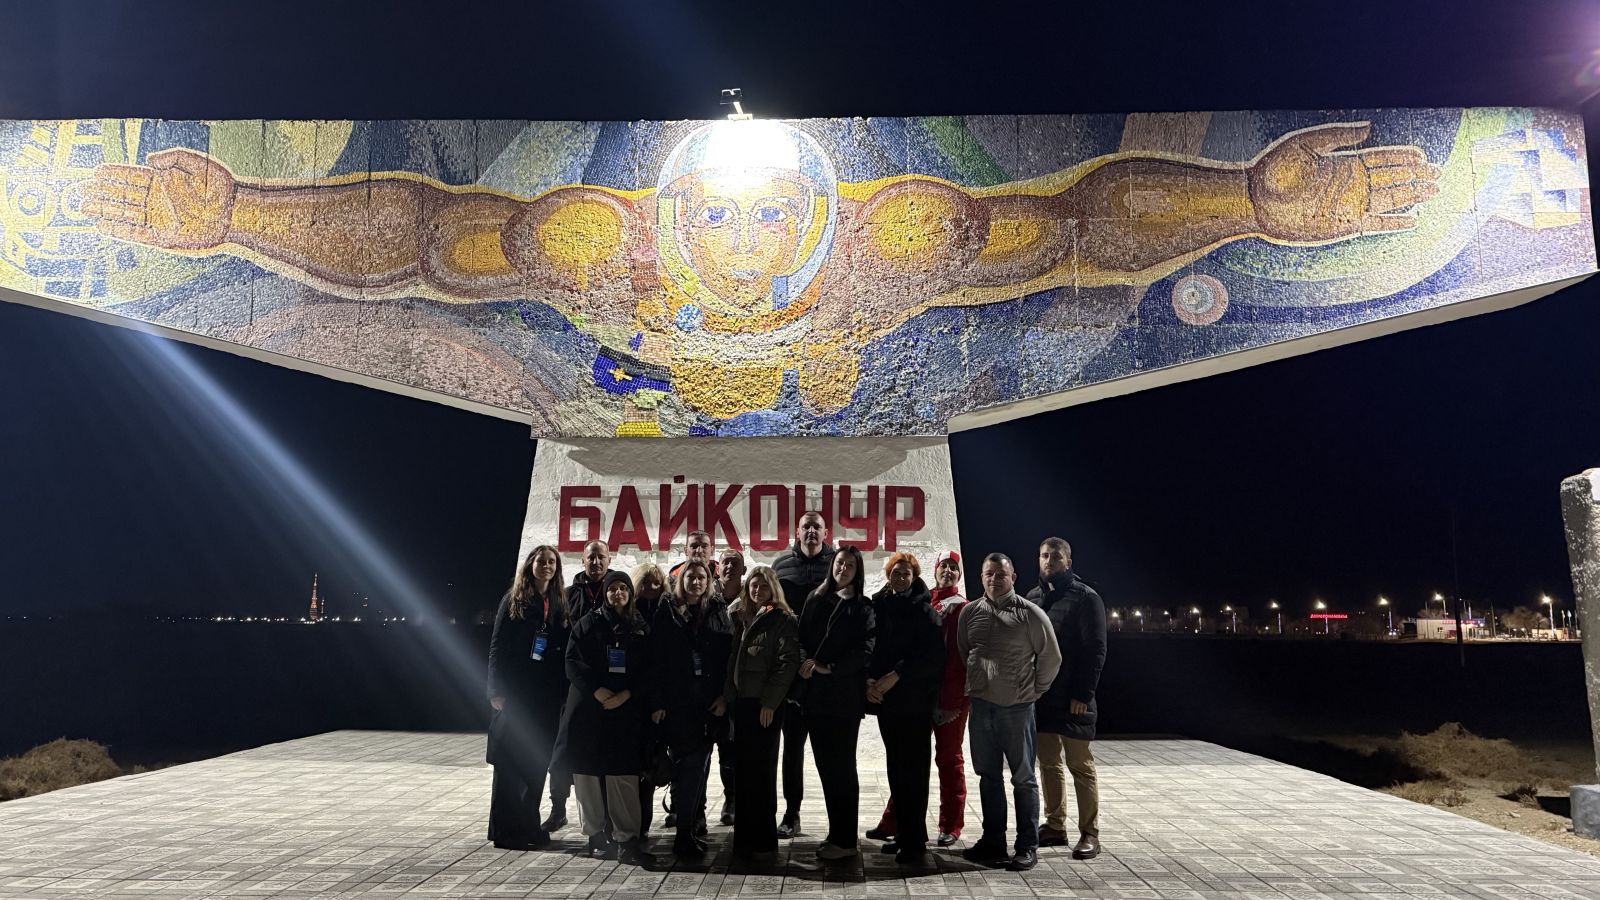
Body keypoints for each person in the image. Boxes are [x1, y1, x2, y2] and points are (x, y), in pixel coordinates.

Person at [957, 553, 1061, 872]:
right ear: (981, 577)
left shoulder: (1030, 614)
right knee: (988, 776)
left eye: (1001, 574)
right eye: (989, 574)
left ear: (1013, 577)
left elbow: (1051, 658)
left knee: (1023, 778)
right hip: (981, 706)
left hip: (1017, 708)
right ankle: (993, 841)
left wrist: (1034, 690)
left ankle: (1027, 846)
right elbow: (965, 651)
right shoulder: (970, 612)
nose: (994, 579)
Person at [870, 550, 969, 848]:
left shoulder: (962, 607)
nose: (948, 571)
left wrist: (952, 702)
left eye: (953, 567)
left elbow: (957, 659)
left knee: (947, 760)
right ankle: (896, 822)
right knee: (905, 762)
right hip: (916, 696)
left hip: (946, 697)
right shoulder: (923, 601)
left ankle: (950, 825)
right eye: (943, 566)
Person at [554, 571, 655, 864]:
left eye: (623, 588)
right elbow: (572, 662)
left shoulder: (639, 627)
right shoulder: (588, 623)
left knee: (622, 774)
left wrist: (626, 694)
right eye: (613, 589)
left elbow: (649, 669)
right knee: (586, 773)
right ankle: (595, 833)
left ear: (630, 593)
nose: (618, 593)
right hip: (589, 709)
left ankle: (626, 840)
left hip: (624, 710)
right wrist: (596, 690)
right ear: (605, 594)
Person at [1027, 537, 1108, 861]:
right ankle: (1054, 825)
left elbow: (1095, 649)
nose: (1049, 561)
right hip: (1043, 697)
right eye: (1044, 556)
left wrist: (1083, 694)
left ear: (1068, 562)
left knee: (1080, 765)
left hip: (1074, 698)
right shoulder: (1032, 598)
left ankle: (1090, 833)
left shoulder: (1086, 598)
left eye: (1056, 557)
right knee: (1048, 763)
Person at [486, 545, 570, 850]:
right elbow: (497, 646)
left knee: (536, 760)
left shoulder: (558, 600)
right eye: (541, 561)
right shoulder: (514, 599)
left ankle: (529, 826)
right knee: (510, 762)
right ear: (530, 565)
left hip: (546, 695)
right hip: (516, 693)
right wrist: (495, 689)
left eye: (552, 562)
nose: (547, 566)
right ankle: (506, 832)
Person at [795, 546, 875, 861]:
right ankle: (836, 832)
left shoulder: (862, 607)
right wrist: (805, 662)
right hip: (816, 698)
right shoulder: (816, 598)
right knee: (827, 768)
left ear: (858, 571)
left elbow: (866, 649)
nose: (843, 568)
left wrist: (831, 668)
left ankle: (845, 840)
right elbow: (800, 638)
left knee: (842, 768)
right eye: (840, 562)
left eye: (850, 565)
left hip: (843, 700)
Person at [864, 552, 945, 865]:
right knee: (897, 769)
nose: (900, 578)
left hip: (914, 703)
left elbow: (931, 658)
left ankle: (914, 841)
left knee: (915, 772)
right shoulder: (879, 606)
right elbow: (871, 646)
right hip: (887, 702)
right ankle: (904, 832)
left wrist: (897, 674)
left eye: (906, 574)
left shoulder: (925, 611)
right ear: (888, 575)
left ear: (914, 577)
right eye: (895, 573)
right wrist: (870, 681)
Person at [649, 559, 733, 858]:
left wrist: (724, 697)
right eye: (691, 577)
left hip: (707, 705)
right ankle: (683, 831)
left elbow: (727, 657)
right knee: (683, 769)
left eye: (701, 577)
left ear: (708, 581)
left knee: (697, 769)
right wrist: (658, 702)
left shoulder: (717, 609)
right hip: (676, 704)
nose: (696, 582)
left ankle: (687, 830)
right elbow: (656, 659)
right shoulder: (667, 610)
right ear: (681, 580)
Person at [724, 565, 801, 864]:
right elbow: (733, 660)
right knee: (743, 773)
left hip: (765, 706)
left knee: (763, 773)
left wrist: (770, 702)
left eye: (764, 586)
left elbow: (787, 663)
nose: (758, 591)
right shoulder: (741, 617)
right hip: (742, 704)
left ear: (773, 589)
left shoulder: (782, 620)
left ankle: (764, 840)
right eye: (753, 586)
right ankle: (744, 839)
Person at [770, 510, 835, 837]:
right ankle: (791, 813)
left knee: (831, 752)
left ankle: (838, 821)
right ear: (797, 532)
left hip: (826, 673)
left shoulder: (838, 564)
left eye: (816, 526)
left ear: (825, 532)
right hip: (792, 672)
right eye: (806, 526)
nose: (811, 531)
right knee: (792, 748)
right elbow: (772, 612)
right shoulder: (781, 566)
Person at [545, 539, 617, 833]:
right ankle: (558, 808)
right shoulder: (568, 595)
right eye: (591, 558)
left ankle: (604, 817)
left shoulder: (616, 591)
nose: (596, 562)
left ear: (609, 560)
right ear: (583, 561)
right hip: (572, 684)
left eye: (601, 557)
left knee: (601, 751)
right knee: (563, 749)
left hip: (606, 687)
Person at [629, 561, 671, 840]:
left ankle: (643, 823)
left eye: (656, 582)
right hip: (632, 701)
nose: (651, 587)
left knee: (651, 764)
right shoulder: (628, 612)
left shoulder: (666, 613)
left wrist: (658, 702)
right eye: (645, 582)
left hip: (656, 702)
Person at [710, 548, 747, 826]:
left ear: (743, 570)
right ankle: (688, 806)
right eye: (726, 562)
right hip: (707, 682)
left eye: (736, 563)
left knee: (730, 748)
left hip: (738, 685)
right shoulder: (706, 598)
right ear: (718, 567)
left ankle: (732, 799)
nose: (730, 567)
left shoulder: (751, 598)